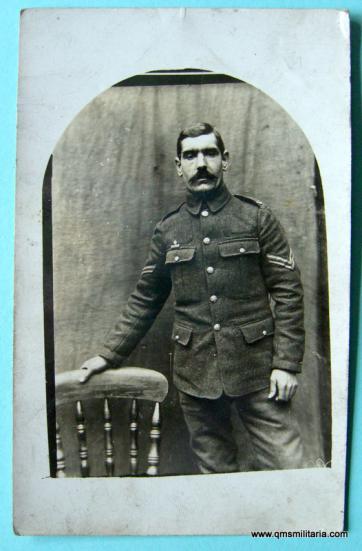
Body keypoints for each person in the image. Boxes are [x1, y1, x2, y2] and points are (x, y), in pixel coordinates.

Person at [79, 122, 305, 473]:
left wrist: (286, 364)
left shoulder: (255, 217)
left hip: (258, 372)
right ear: (178, 165)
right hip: (196, 376)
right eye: (191, 155)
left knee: (290, 470)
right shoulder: (168, 230)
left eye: (210, 153)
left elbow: (288, 292)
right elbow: (145, 299)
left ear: (225, 160)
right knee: (215, 478)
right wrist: (107, 356)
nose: (201, 163)